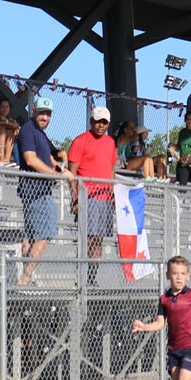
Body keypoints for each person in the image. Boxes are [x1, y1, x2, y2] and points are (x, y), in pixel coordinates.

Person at [67, 106, 117, 285]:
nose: (101, 125)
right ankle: (80, 279)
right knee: (86, 240)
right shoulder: (80, 141)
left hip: (105, 198)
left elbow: (111, 169)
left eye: (104, 122)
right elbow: (71, 174)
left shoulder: (110, 142)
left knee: (98, 241)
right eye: (98, 121)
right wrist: (75, 199)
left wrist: (112, 193)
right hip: (87, 197)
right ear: (91, 121)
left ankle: (91, 279)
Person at [16, 97, 62, 285]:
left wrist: (59, 168)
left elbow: (49, 156)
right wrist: (54, 175)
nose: (45, 117)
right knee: (45, 232)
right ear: (34, 110)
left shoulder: (40, 133)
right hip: (34, 190)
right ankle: (25, 278)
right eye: (42, 112)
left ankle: (24, 275)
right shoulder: (28, 129)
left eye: (48, 114)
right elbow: (30, 159)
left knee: (31, 236)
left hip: (40, 190)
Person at [0, 97, 21, 166]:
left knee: (11, 133)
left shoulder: (9, 119)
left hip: (6, 142)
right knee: (4, 130)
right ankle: (1, 159)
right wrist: (12, 125)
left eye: (7, 107)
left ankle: (6, 160)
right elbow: (3, 124)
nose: (5, 109)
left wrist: (16, 127)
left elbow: (15, 125)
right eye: (2, 106)